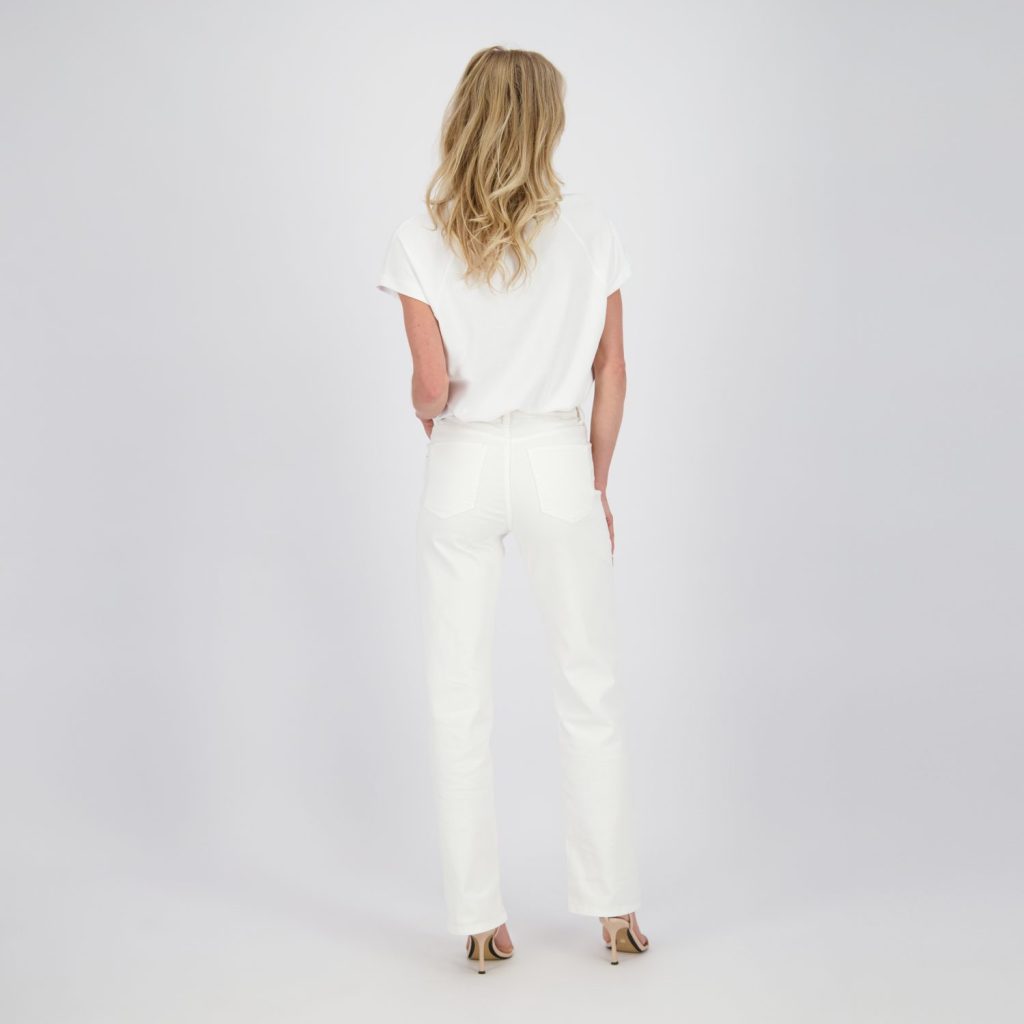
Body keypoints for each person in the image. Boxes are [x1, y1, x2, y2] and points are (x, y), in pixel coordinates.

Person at [375, 45, 649, 971]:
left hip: (461, 464)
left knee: (458, 693)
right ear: (547, 122)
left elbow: (430, 386)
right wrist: (596, 484)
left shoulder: (420, 238)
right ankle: (614, 910)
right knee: (590, 682)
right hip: (555, 457)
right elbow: (613, 370)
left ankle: (479, 922)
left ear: (466, 115)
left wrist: (428, 412)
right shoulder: (592, 230)